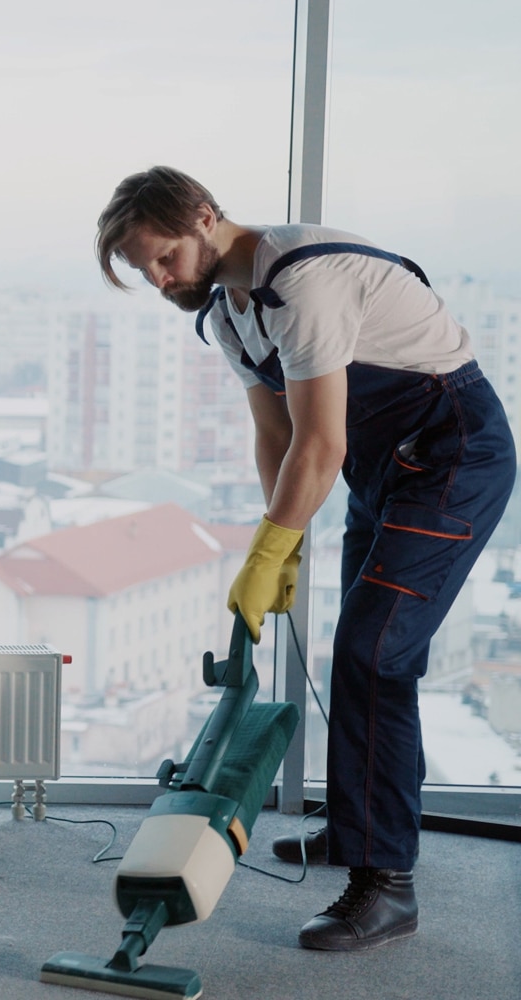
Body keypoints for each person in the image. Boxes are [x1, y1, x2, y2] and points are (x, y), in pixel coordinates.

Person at [95, 166, 515, 952]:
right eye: (145, 271)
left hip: (454, 458)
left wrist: (268, 550)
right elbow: (278, 436)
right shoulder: (228, 314)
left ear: (204, 217)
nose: (159, 281)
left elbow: (321, 443)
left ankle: (385, 883)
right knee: (365, 652)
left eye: (163, 258)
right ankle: (363, 823)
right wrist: (281, 540)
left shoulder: (303, 281)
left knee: (374, 654)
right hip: (382, 471)